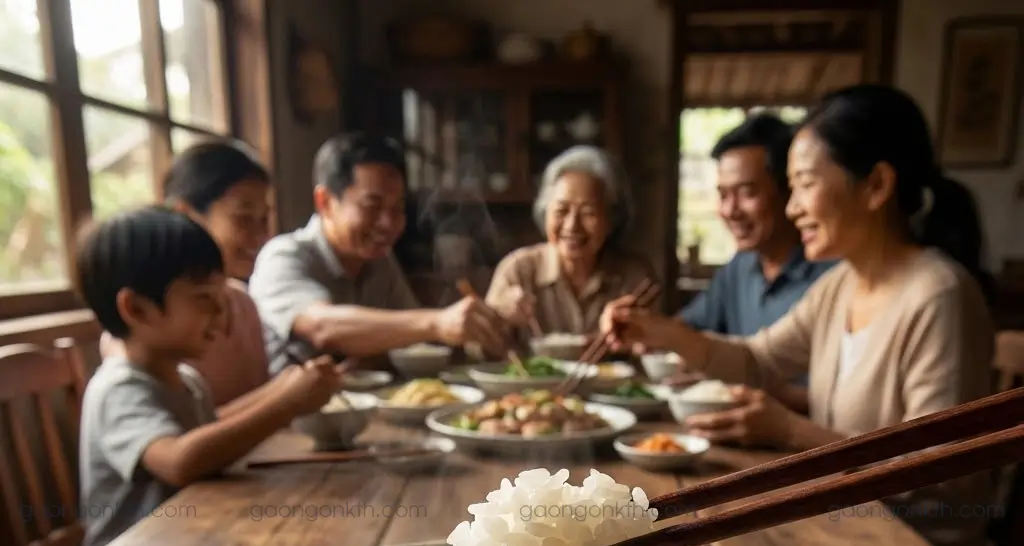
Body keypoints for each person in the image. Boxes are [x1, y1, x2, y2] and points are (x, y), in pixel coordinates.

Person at [601, 85, 995, 546]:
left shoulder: (938, 295)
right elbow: (758, 360)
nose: (792, 208)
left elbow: (935, 472)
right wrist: (657, 331)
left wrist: (792, 431)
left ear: (876, 186)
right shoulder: (841, 286)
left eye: (805, 184)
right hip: (842, 530)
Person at [77, 207, 342, 546]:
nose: (221, 313)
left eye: (221, 298)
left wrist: (285, 386)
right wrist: (287, 403)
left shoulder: (187, 380)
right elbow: (180, 461)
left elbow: (211, 430)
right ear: (137, 309)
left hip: (191, 544)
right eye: (205, 299)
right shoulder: (118, 389)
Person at [249, 132, 511, 375]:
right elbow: (321, 327)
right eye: (371, 206)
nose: (388, 223)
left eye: (397, 209)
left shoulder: (379, 260)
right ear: (325, 202)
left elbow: (414, 341)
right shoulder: (283, 256)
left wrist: (489, 325)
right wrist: (437, 323)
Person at [100, 140, 273, 407]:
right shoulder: (141, 332)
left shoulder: (243, 304)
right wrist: (282, 399)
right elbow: (180, 427)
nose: (261, 237)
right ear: (184, 215)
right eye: (243, 218)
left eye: (264, 220)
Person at [681, 114, 835, 337]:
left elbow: (762, 355)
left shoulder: (832, 276)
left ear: (788, 190)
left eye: (747, 193)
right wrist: (641, 327)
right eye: (723, 195)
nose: (730, 211)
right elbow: (686, 327)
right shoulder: (739, 268)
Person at [485, 145, 656, 341]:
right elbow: (479, 351)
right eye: (561, 210)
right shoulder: (518, 270)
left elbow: (655, 351)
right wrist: (497, 320)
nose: (572, 226)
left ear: (612, 219)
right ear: (545, 213)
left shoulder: (635, 277)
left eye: (588, 213)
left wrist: (641, 337)